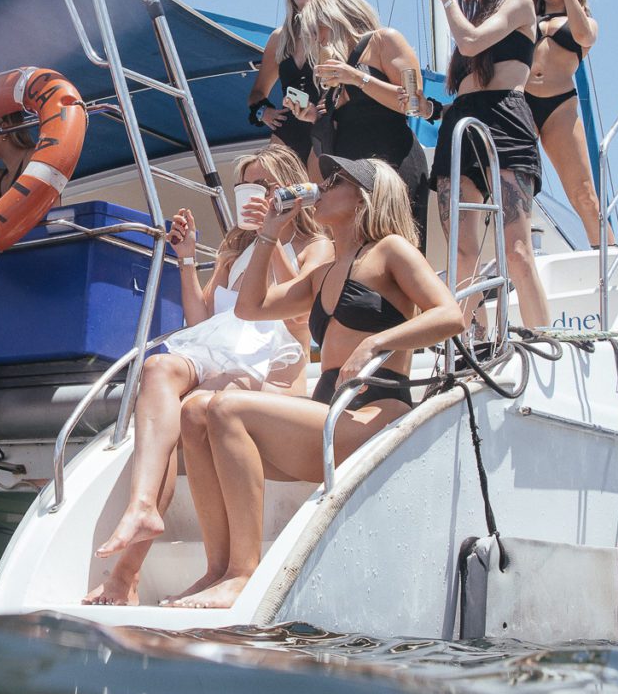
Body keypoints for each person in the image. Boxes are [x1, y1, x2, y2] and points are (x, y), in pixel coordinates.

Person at [167, 156, 464, 609]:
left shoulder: (391, 250)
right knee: (194, 411)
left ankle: (245, 574)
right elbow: (250, 307)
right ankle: (219, 570)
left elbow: (451, 315)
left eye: (335, 180)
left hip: (372, 411)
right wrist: (269, 232)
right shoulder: (324, 272)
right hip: (326, 416)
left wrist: (376, 342)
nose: (320, 187)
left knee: (226, 406)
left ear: (366, 195)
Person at [87, 145, 330, 604]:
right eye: (248, 188)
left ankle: (132, 571)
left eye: (266, 186)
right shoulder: (234, 249)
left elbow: (301, 321)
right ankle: (142, 509)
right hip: (221, 357)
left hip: (273, 372)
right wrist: (183, 256)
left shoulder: (318, 246)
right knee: (158, 366)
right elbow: (202, 324)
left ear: (291, 189)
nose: (255, 195)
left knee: (187, 413)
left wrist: (272, 237)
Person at [422, 0, 551, 328]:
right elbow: (466, 61)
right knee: (462, 251)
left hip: (505, 118)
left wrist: (446, 0)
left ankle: (541, 337)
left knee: (517, 251)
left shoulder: (519, 3)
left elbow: (472, 43)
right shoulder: (470, 15)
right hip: (460, 121)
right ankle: (470, 338)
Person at [302, 0, 432, 232]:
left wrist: (357, 78)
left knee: (400, 245)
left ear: (335, 18)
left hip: (393, 163)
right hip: (350, 173)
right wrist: (313, 116)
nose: (316, 38)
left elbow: (413, 103)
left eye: (316, 28)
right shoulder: (333, 64)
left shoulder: (384, 40)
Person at [519, 0, 608, 247]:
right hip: (522, 102)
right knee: (514, 186)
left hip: (560, 107)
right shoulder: (528, 16)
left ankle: (605, 254)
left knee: (582, 191)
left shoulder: (584, 21)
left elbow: (583, 36)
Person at [246, 0, 340, 162]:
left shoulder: (341, 31)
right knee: (275, 193)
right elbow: (257, 92)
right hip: (286, 132)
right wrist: (264, 112)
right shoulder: (280, 38)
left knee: (320, 194)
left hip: (327, 126)